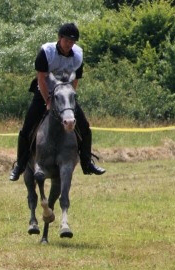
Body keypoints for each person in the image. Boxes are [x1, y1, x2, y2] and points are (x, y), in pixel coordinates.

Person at [9, 22, 106, 181]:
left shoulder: (78, 55)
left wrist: (70, 97)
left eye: (72, 42)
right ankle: (20, 165)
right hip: (44, 93)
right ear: (59, 38)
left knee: (85, 127)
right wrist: (48, 100)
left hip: (65, 96)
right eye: (67, 41)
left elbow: (75, 80)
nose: (69, 45)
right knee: (26, 129)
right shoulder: (46, 52)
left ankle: (87, 162)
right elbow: (40, 79)